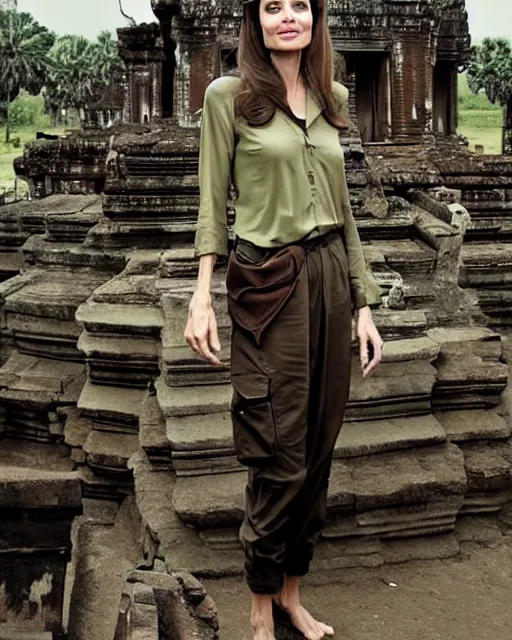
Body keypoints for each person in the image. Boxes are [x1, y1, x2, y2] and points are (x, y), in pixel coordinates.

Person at [184, 1, 384, 638]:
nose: (288, 17)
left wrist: (364, 303)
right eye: (274, 7)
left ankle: (294, 595)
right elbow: (213, 201)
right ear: (257, 21)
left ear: (316, 19)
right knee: (278, 449)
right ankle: (260, 608)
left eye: (300, 5)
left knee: (320, 448)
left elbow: (344, 211)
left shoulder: (332, 97)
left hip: (328, 276)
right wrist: (200, 294)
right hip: (268, 284)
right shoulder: (229, 96)